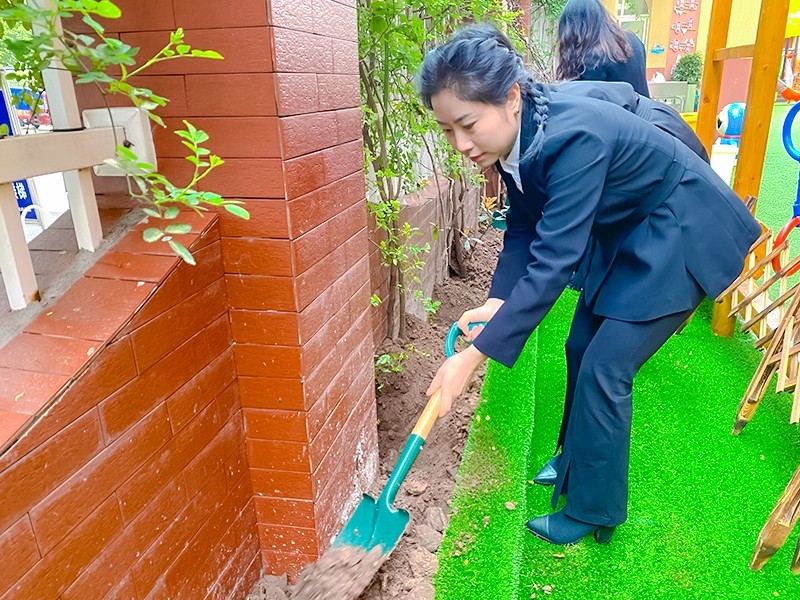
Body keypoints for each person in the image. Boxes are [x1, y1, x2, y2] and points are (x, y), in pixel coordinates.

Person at [420, 24, 760, 545]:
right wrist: (495, 300)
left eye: (467, 125)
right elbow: (525, 227)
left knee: (607, 365)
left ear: (510, 96)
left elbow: (555, 260)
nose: (461, 145)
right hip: (628, 224)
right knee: (579, 343)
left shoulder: (571, 137)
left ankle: (593, 510)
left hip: (679, 225)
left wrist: (472, 358)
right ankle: (573, 458)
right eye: (448, 131)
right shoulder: (519, 132)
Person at [556, 0, 650, 98]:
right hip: (647, 110)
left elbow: (586, 105)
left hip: (620, 112)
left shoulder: (592, 58)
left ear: (571, 30)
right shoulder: (633, 40)